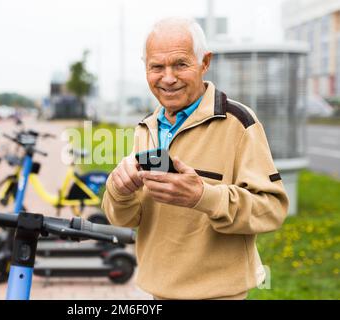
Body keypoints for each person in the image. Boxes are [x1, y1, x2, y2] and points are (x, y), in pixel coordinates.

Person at [101, 17, 289, 300]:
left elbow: (272, 209)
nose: (168, 77)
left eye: (180, 64)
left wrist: (202, 196)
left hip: (219, 294)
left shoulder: (239, 123)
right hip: (158, 291)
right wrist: (119, 191)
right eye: (157, 67)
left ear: (204, 62)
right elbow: (126, 218)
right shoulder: (146, 127)